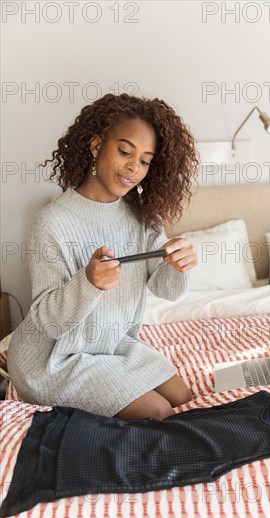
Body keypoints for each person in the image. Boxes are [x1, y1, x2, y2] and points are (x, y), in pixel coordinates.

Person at [7, 93, 199, 419]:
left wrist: (179, 265)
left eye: (144, 160)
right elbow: (47, 322)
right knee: (159, 412)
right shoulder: (52, 222)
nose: (133, 168)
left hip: (111, 345)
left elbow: (167, 290)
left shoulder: (142, 215)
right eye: (124, 151)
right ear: (96, 146)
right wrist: (89, 283)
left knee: (185, 398)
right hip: (53, 358)